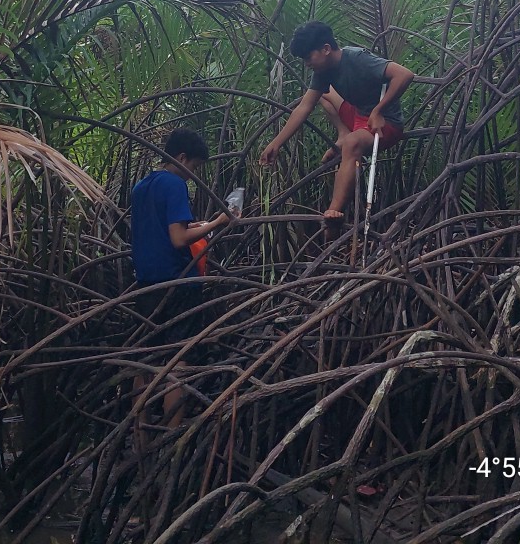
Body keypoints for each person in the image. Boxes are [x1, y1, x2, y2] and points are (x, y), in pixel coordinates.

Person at [129, 128, 235, 434]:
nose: (194, 175)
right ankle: (171, 434)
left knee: (144, 358)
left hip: (146, 283)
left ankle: (139, 430)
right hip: (177, 284)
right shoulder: (175, 184)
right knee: (178, 360)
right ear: (182, 158)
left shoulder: (142, 186)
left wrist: (198, 225)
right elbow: (178, 240)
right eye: (196, 167)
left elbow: (159, 233)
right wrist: (217, 222)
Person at [259, 21, 414, 226]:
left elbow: (405, 74)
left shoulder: (357, 58)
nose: (307, 63)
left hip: (385, 125)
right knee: (321, 94)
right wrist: (276, 143)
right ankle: (343, 133)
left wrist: (379, 111)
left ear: (325, 49)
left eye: (308, 57)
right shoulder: (322, 73)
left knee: (352, 144)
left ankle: (334, 210)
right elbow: (304, 107)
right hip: (358, 117)